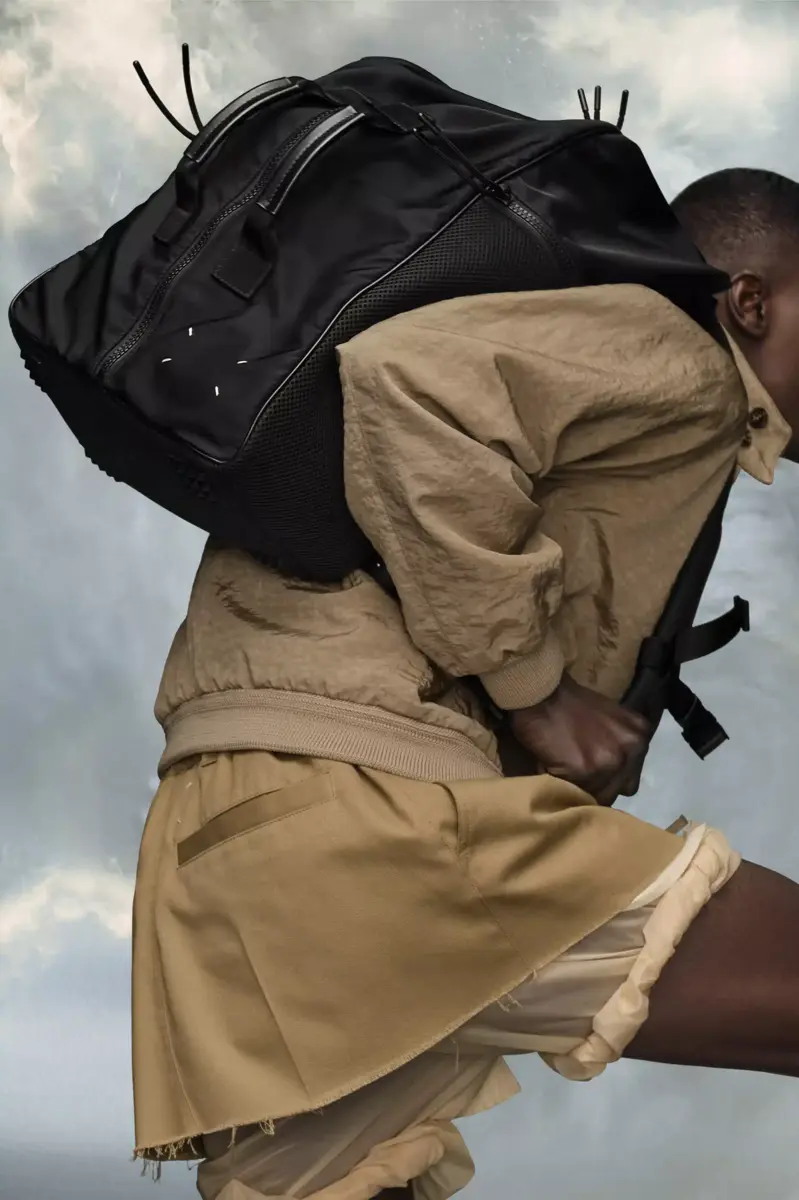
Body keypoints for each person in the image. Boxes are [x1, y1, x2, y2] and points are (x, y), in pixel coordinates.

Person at [130, 167, 799, 1200]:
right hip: (366, 805)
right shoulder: (672, 349)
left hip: (229, 843)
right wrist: (539, 693)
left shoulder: (596, 368)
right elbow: (410, 386)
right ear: (749, 301)